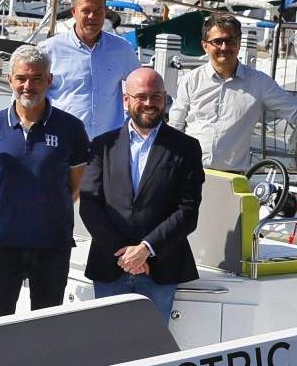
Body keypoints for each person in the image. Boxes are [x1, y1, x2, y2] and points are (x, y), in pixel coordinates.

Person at [79, 66, 204, 323]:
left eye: (156, 97)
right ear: (126, 100)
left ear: (165, 98)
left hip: (161, 267)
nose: (149, 103)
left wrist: (146, 249)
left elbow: (188, 211)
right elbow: (90, 205)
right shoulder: (103, 145)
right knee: (107, 351)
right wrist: (125, 256)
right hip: (110, 265)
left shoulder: (186, 148)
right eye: (141, 97)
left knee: (153, 352)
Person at [168, 11, 297, 170]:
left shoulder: (259, 83)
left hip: (232, 176)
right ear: (205, 46)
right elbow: (174, 129)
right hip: (189, 171)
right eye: (217, 41)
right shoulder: (190, 80)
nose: (224, 46)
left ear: (238, 44)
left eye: (230, 40)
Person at [0, 44, 89, 318]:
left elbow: (76, 185)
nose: (29, 85)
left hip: (52, 245)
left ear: (49, 81)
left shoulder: (71, 128)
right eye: (22, 78)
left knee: (46, 327)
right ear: (10, 80)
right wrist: (1, 207)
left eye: (37, 78)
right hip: (3, 243)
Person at [43, 0, 139, 138]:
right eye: (86, 11)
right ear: (74, 12)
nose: (92, 16)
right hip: (62, 141)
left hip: (108, 145)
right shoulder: (49, 50)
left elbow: (141, 88)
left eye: (98, 11)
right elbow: (29, 94)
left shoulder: (122, 49)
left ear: (105, 13)